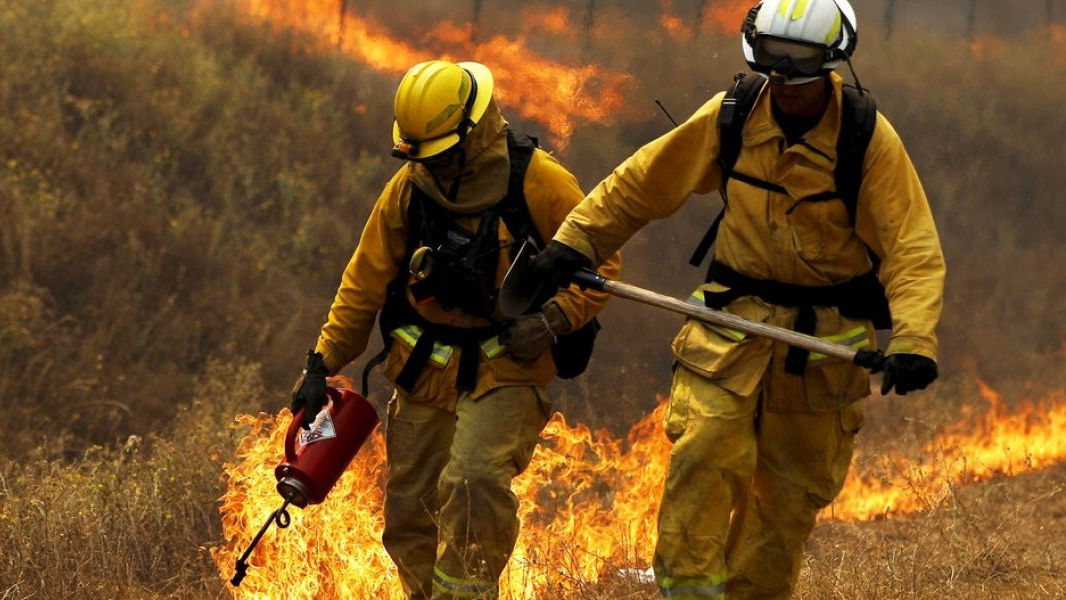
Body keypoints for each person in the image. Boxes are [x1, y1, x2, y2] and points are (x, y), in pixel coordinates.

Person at [528, 1, 944, 597]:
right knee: (704, 452)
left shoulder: (866, 138)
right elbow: (641, 183)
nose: (784, 82)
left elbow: (912, 248)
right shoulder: (736, 114)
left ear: (832, 64)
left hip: (821, 349)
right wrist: (577, 242)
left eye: (799, 70)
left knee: (784, 503)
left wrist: (914, 340)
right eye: (773, 65)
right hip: (730, 328)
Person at [290, 59, 620, 599]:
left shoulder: (538, 181)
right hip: (424, 372)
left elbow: (602, 262)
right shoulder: (409, 189)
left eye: (440, 156)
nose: (431, 168)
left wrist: (553, 319)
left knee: (473, 482)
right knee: (408, 517)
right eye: (420, 157)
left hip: (507, 370)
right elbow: (364, 282)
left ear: (470, 135)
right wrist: (322, 363)